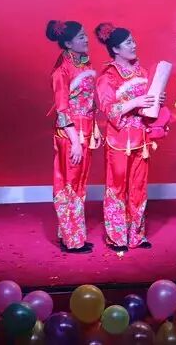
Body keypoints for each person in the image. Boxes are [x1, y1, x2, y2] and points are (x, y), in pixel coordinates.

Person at [94, 22, 165, 252]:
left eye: (133, 41)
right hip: (119, 140)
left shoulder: (143, 73)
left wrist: (156, 101)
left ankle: (137, 235)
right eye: (128, 43)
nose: (133, 45)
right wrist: (135, 102)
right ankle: (117, 238)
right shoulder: (108, 77)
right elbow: (108, 109)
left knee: (139, 187)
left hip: (141, 138)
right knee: (116, 188)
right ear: (115, 49)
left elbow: (149, 106)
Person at [46, 20, 100, 254]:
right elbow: (61, 110)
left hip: (85, 128)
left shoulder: (84, 62)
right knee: (69, 184)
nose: (86, 39)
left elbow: (89, 102)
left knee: (78, 184)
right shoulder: (62, 70)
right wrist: (75, 141)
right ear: (68, 43)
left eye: (85, 35)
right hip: (70, 132)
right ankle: (72, 240)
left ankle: (72, 234)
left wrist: (94, 128)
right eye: (80, 37)